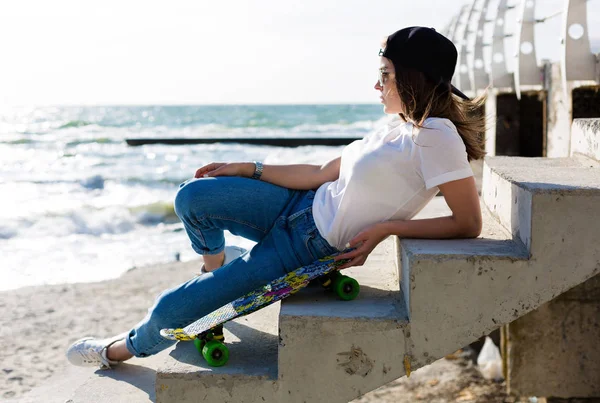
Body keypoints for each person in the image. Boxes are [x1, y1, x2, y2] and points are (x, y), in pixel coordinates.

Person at [66, 26, 485, 369]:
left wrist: (387, 229)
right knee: (193, 197)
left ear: (416, 78)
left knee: (170, 310)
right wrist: (249, 168)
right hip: (296, 206)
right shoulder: (399, 124)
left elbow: (468, 222)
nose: (376, 84)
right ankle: (216, 270)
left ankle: (114, 351)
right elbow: (322, 173)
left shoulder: (437, 137)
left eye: (386, 74)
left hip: (305, 248)